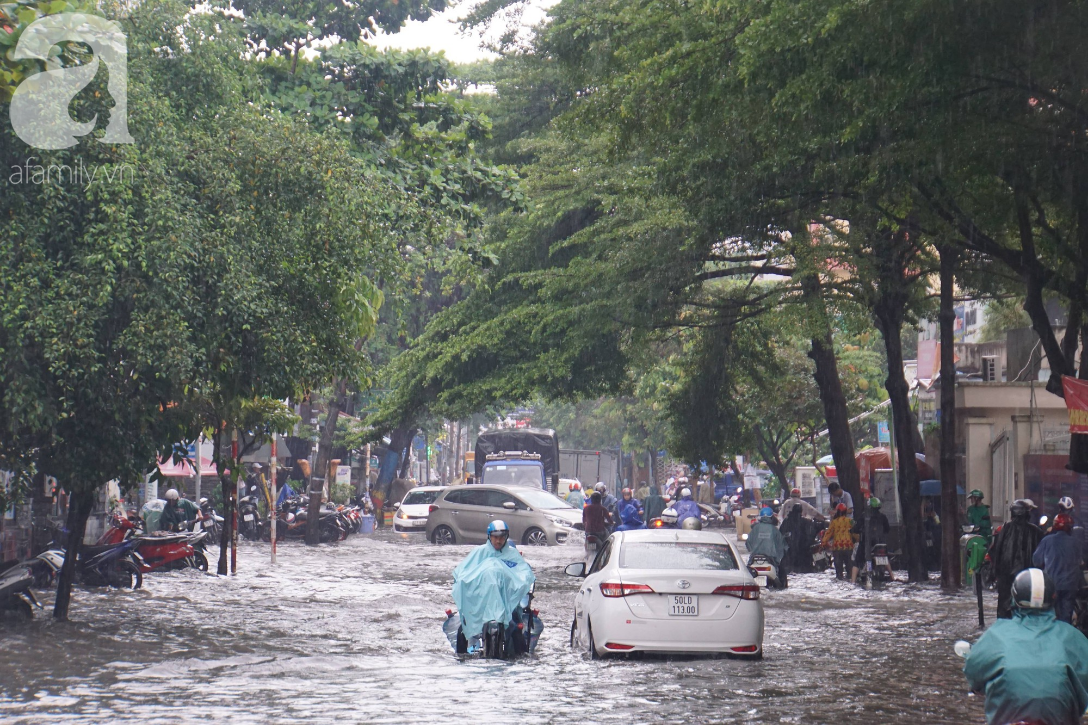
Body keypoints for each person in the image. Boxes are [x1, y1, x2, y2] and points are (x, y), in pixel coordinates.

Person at [964, 568, 1088, 725]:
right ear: (1053, 598)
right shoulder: (1072, 636)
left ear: (1014, 598)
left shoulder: (996, 634)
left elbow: (973, 669)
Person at [451, 520, 536, 655]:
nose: (498, 541)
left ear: (506, 537)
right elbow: (463, 574)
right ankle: (461, 655)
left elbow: (525, 574)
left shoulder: (512, 555)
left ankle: (521, 657)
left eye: (502, 537)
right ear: (489, 536)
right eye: (495, 537)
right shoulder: (479, 553)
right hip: (482, 604)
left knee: (515, 630)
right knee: (463, 630)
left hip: (507, 605)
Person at [990, 499, 1045, 619]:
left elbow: (995, 551)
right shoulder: (1035, 531)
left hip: (1006, 576)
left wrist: (995, 571)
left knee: (1004, 608)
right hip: (1028, 578)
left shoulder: (1005, 529)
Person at [1032, 513, 1084, 624]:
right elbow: (1080, 562)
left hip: (1052, 585)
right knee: (1066, 617)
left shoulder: (1047, 540)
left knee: (1050, 616)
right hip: (1070, 586)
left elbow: (1036, 560)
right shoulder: (1075, 543)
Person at [850, 496, 893, 584]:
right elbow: (887, 529)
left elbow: (857, 528)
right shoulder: (883, 517)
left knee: (857, 561)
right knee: (885, 557)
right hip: (880, 543)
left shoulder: (864, 516)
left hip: (867, 544)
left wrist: (853, 530)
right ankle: (892, 576)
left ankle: (853, 581)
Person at [747, 507, 788, 588]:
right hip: (771, 559)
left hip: (754, 559)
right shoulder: (774, 530)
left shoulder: (755, 528)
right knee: (781, 579)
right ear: (772, 517)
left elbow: (748, 544)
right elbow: (781, 545)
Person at [822, 503, 857, 579]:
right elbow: (856, 533)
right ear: (845, 512)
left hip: (837, 548)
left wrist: (823, 544)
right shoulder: (851, 521)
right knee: (850, 572)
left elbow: (828, 534)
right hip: (848, 547)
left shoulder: (834, 522)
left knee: (839, 573)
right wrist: (857, 540)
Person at [922, 501, 942, 571]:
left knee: (934, 552)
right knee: (930, 551)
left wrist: (935, 517)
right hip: (929, 538)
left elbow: (938, 525)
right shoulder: (927, 520)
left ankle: (935, 566)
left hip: (935, 538)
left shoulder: (935, 518)